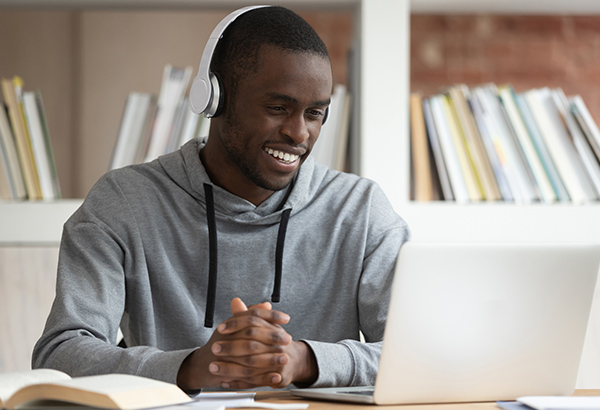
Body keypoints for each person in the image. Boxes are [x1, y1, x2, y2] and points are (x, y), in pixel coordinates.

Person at [32, 5, 409, 392]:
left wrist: (304, 360)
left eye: (314, 113)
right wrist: (189, 368)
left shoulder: (360, 210)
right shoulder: (124, 202)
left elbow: (418, 355)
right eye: (278, 108)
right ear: (214, 99)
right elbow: (59, 354)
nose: (299, 133)